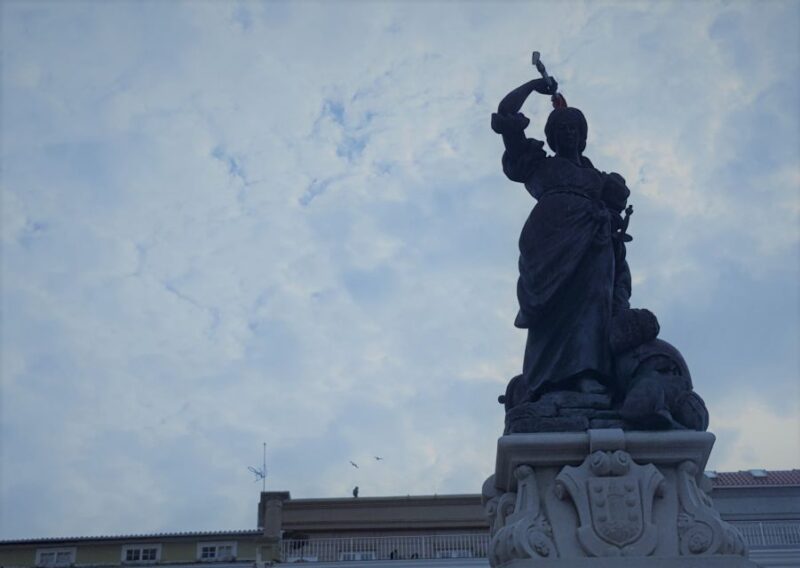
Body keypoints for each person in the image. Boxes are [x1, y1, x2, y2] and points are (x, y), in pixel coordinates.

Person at [492, 77, 632, 406]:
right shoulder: (537, 163)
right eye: (563, 129)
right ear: (552, 136)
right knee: (553, 312)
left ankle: (587, 376)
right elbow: (505, 114)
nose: (569, 134)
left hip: (595, 243)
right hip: (550, 241)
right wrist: (532, 86)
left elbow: (616, 213)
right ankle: (545, 383)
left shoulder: (599, 177)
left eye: (574, 129)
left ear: (582, 136)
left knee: (592, 306)